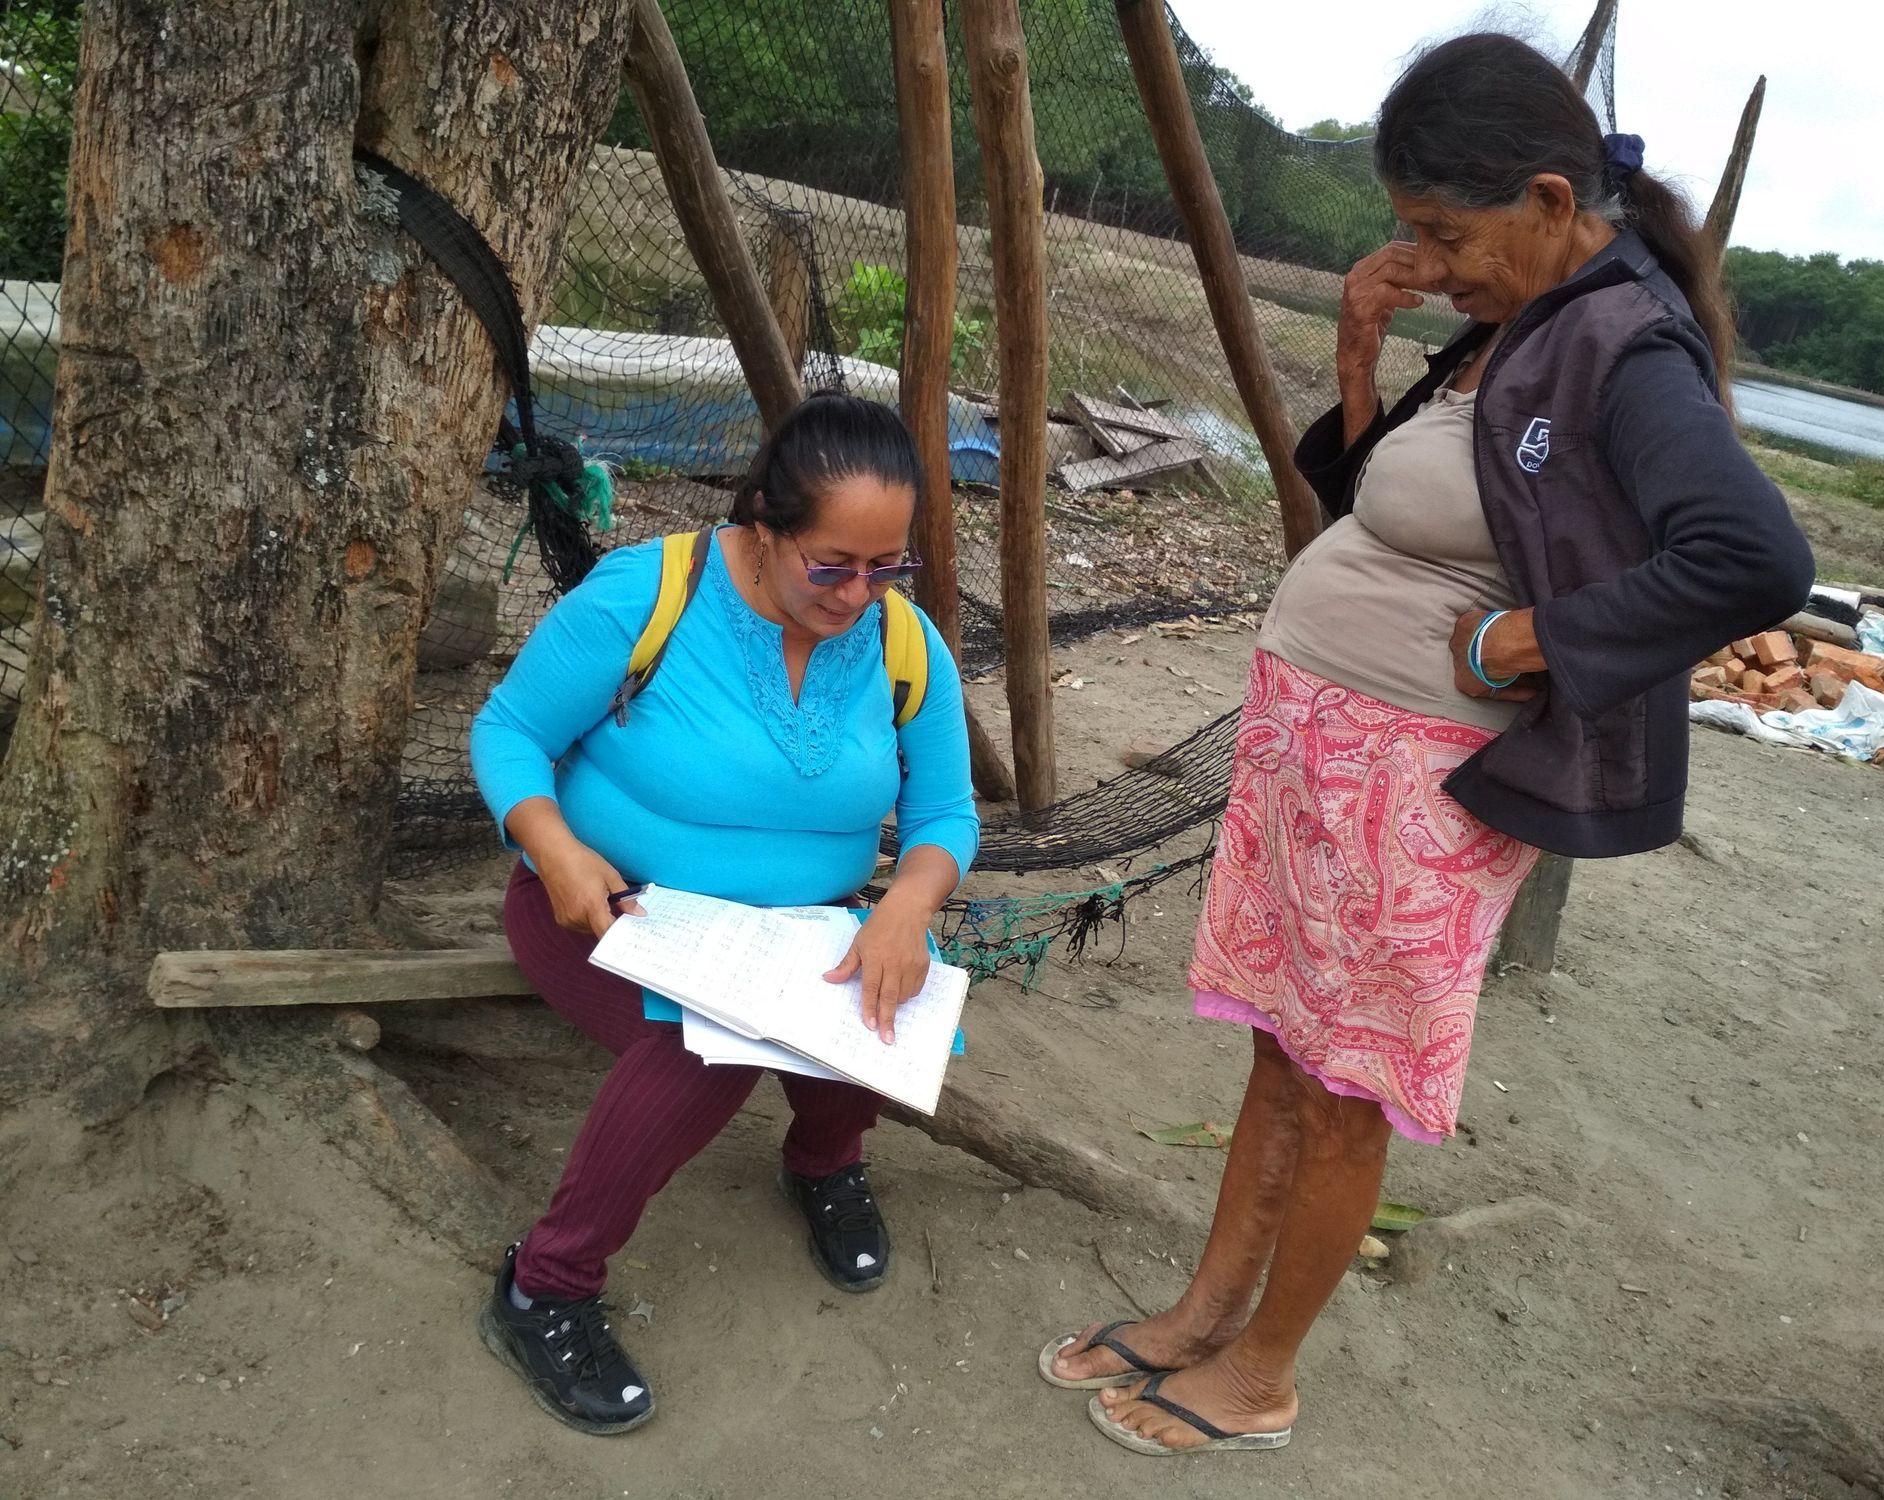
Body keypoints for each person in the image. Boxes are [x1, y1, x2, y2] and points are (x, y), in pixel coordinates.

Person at [1041, 33, 1814, 1455]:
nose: (1430, 260)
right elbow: (1395, 509)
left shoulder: (1624, 345)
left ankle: (1262, 1371)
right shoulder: (1521, 317)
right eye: (1410, 230)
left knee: (1348, 1086)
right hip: (1321, 752)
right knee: (1283, 1048)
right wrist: (1355, 353)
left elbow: (1752, 555)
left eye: (1444, 233)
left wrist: (1522, 645)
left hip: (1418, 788)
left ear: (1540, 198)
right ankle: (1204, 1312)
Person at [468, 393, 978, 1436]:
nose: (856, 594)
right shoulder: (648, 595)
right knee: (701, 1049)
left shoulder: (903, 642)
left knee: (878, 990)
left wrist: (905, 904)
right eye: (830, 564)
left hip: (799, 930)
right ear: (762, 521)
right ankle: (544, 1285)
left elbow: (943, 811)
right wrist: (555, 847)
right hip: (606, 912)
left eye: (886, 568)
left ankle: (824, 1165)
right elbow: (508, 732)